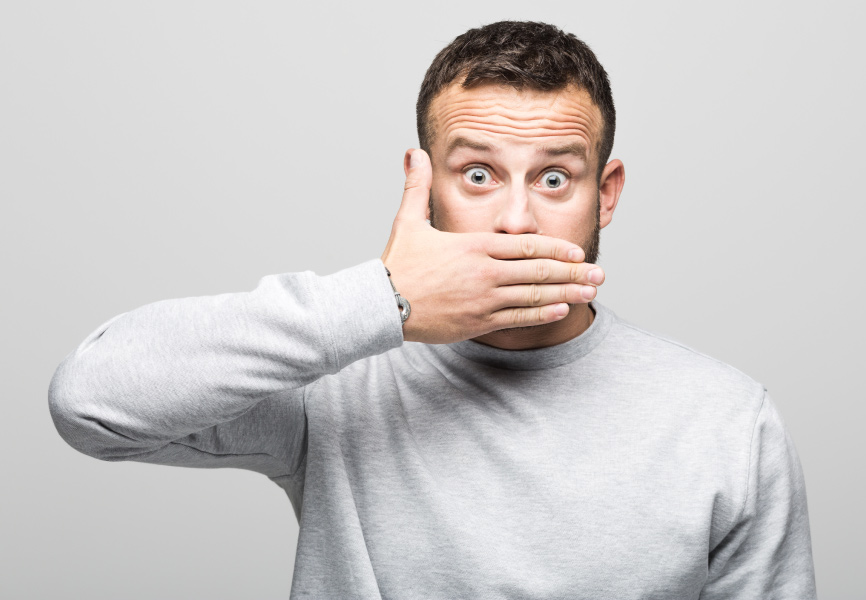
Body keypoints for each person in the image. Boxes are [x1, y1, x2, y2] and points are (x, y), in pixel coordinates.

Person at [48, 20, 817, 599]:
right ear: (423, 183)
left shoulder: (726, 419)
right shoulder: (341, 381)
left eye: (555, 179)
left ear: (605, 194)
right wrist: (385, 298)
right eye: (478, 173)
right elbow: (91, 402)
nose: (516, 221)